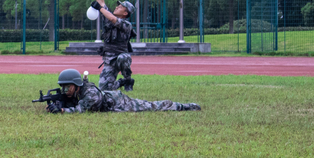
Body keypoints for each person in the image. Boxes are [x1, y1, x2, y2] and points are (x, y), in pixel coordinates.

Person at [47, 69, 201, 114]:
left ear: (76, 85)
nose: (65, 90)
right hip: (111, 98)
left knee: (153, 106)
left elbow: (81, 109)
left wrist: (61, 110)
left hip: (120, 102)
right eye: (63, 87)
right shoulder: (77, 92)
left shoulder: (90, 94)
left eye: (67, 87)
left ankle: (184, 106)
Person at [88, 0, 135, 91]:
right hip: (109, 60)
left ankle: (128, 79)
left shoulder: (126, 25)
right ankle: (121, 82)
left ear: (125, 13)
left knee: (123, 58)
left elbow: (112, 18)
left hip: (120, 57)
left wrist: (100, 8)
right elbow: (101, 2)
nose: (116, 7)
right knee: (104, 89)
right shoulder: (109, 17)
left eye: (120, 7)